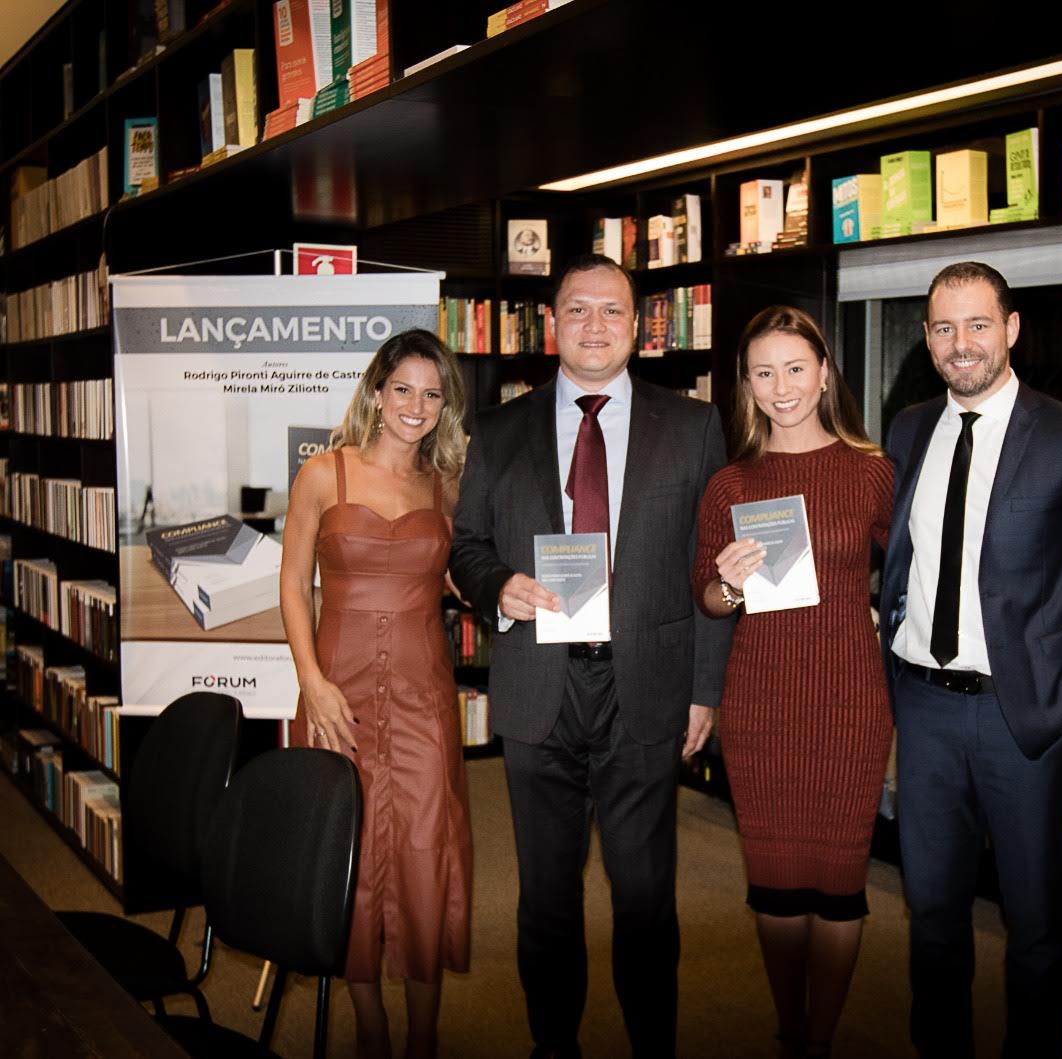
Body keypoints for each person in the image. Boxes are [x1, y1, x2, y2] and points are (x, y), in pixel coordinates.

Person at [449, 253, 733, 1059]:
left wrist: (704, 689)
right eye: (577, 310)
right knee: (545, 897)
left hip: (648, 687)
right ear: (551, 325)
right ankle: (554, 1046)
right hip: (541, 684)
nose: (595, 325)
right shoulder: (498, 430)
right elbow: (466, 544)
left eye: (613, 310)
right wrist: (494, 582)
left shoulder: (693, 426)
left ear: (641, 328)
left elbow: (714, 564)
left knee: (645, 898)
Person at [880, 262, 1062, 1058]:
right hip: (922, 710)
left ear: (1011, 328)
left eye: (978, 324)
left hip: (1023, 718)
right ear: (927, 338)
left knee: (1032, 924)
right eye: (944, 328)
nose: (962, 344)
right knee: (930, 918)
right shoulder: (909, 430)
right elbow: (902, 560)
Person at [692, 306, 894, 1059]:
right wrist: (729, 582)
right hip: (761, 701)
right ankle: (788, 1028)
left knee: (839, 884)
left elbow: (910, 575)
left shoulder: (873, 472)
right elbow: (705, 597)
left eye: (796, 368)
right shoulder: (729, 483)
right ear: (746, 384)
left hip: (849, 700)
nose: (782, 387)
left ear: (825, 372)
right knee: (775, 882)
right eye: (764, 372)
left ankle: (821, 1034)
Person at [281, 329, 472, 1059]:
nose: (416, 406)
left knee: (427, 846)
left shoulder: (445, 485)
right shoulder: (324, 474)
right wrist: (311, 681)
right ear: (376, 391)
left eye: (432, 393)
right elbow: (294, 582)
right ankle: (370, 1016)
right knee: (350, 850)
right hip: (339, 684)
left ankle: (423, 1027)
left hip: (424, 691)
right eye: (403, 389)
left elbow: (464, 577)